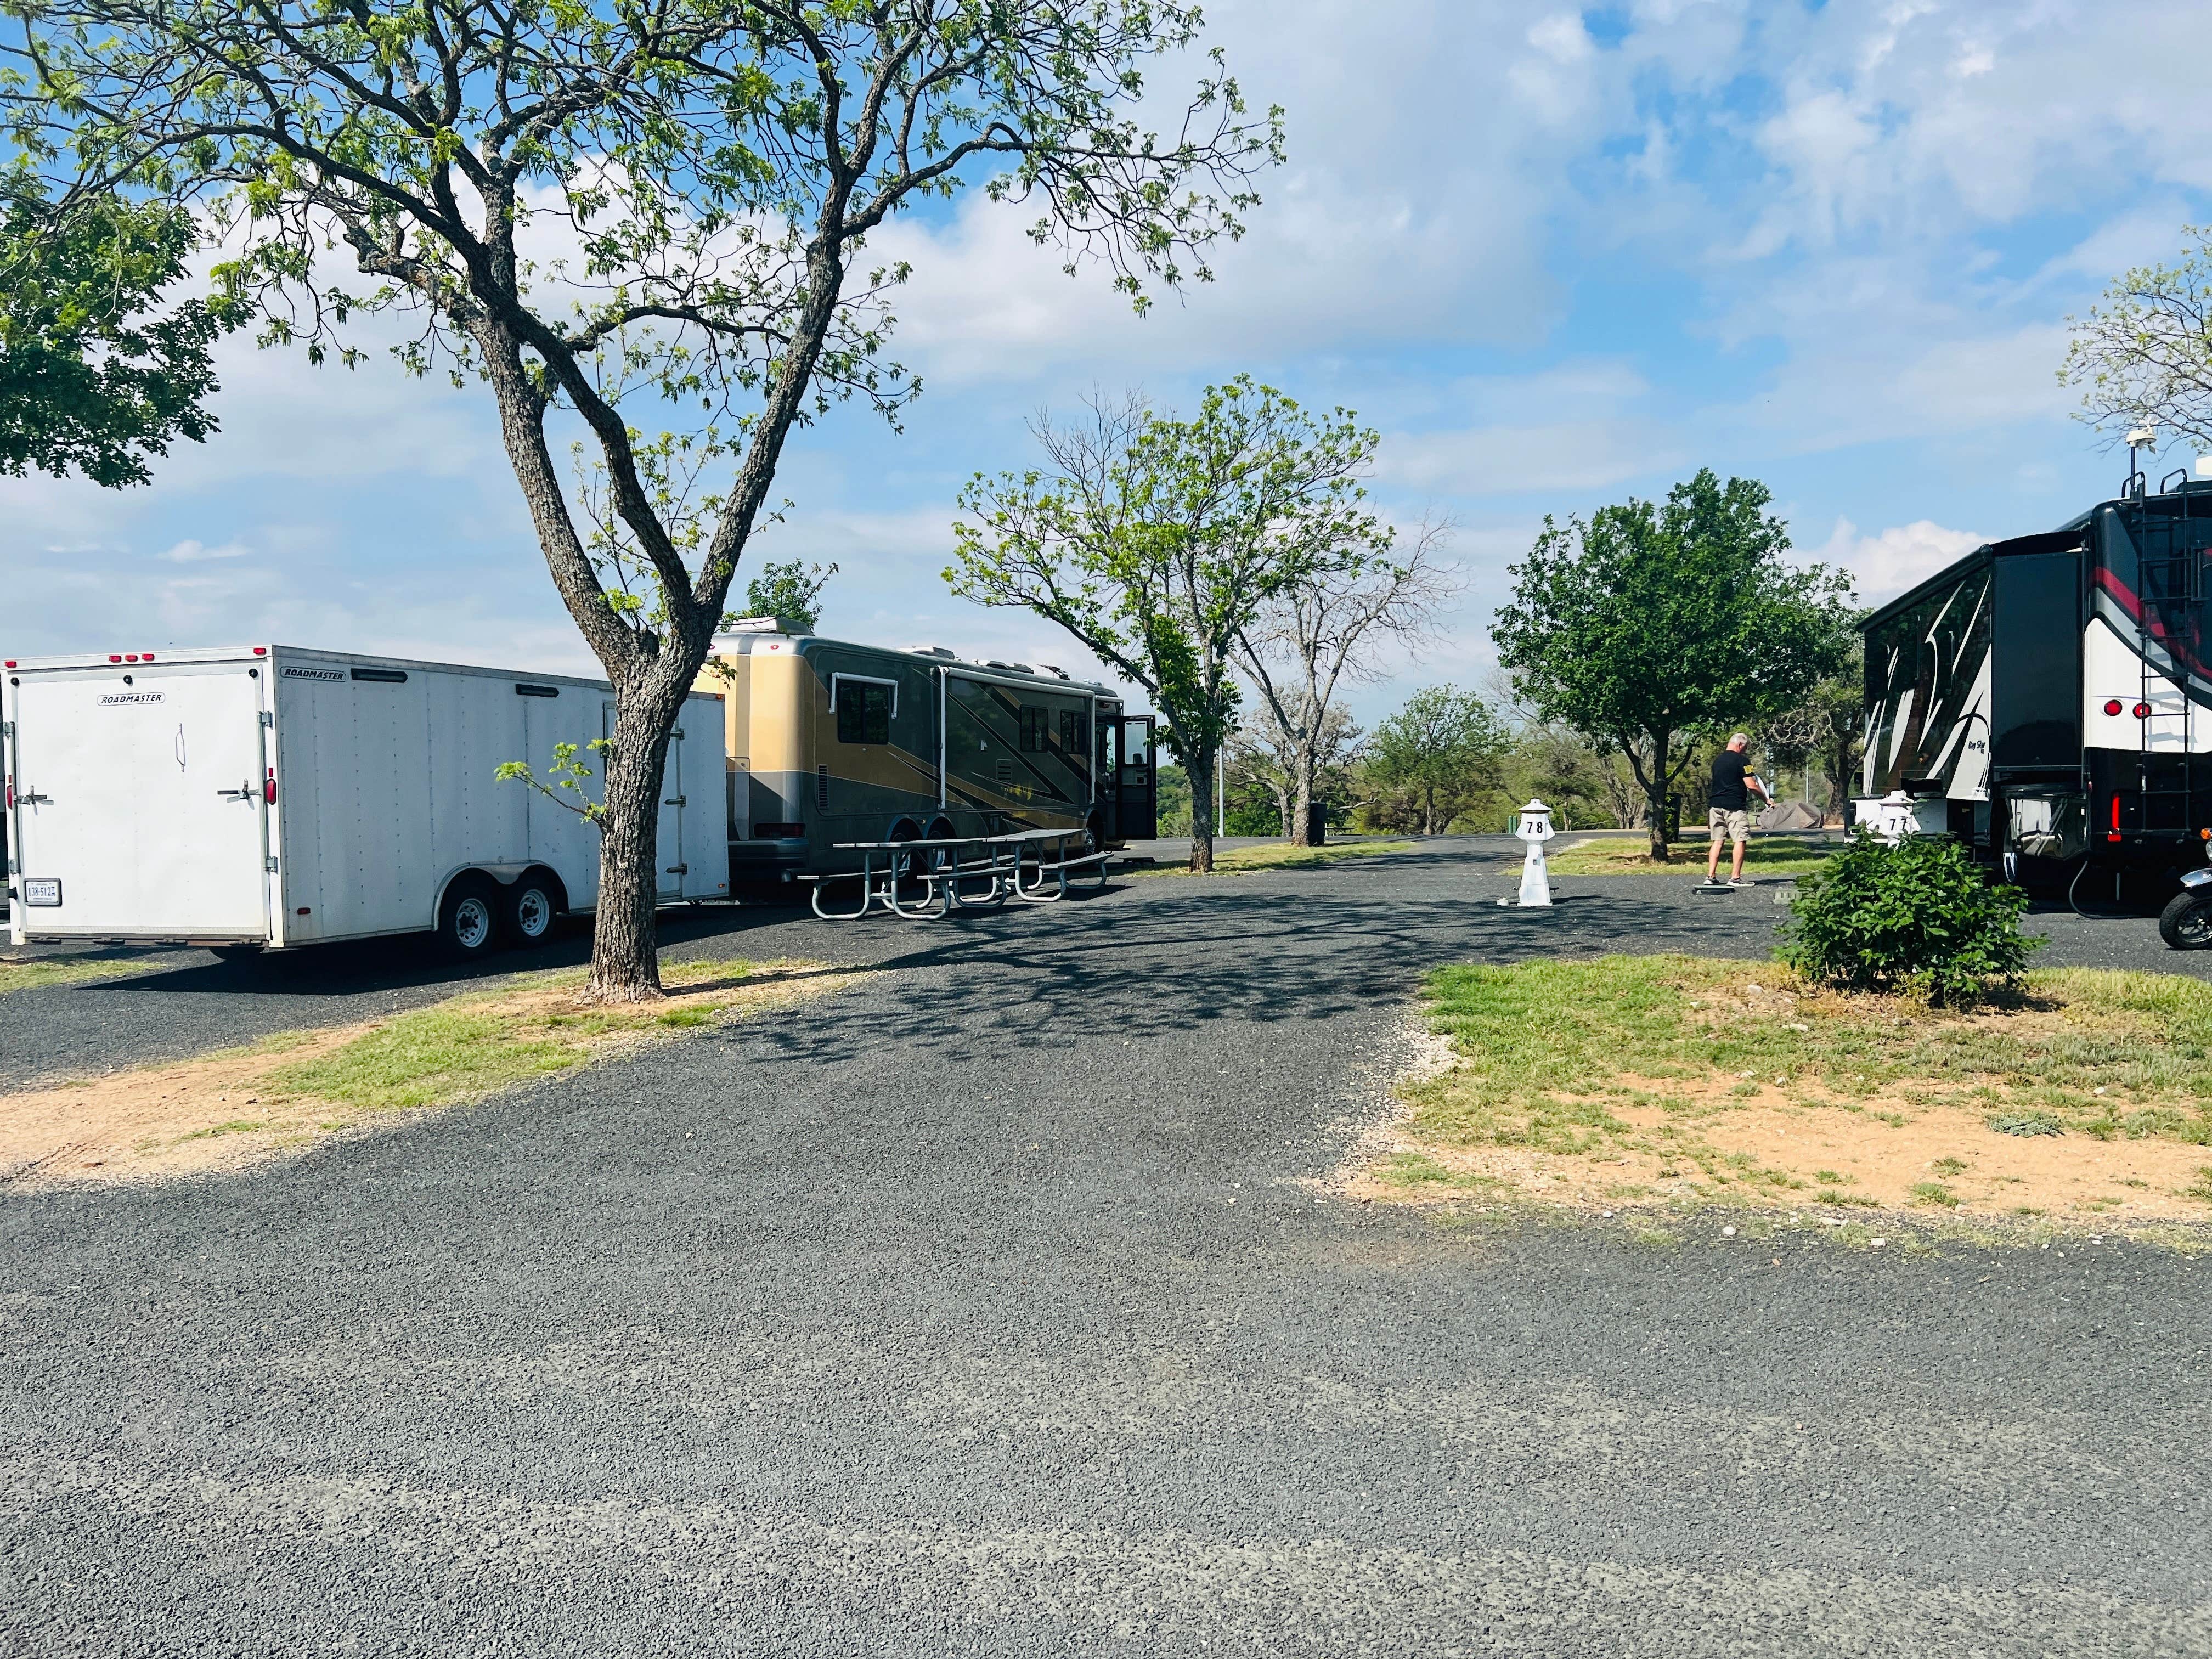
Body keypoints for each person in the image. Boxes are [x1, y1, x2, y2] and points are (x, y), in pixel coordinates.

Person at [1705, 733, 1774, 886]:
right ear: (1741, 745)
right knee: (1740, 839)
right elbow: (1751, 785)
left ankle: (1710, 877)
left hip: (1715, 805)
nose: (1745, 751)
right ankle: (1735, 878)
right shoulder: (1744, 761)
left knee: (1718, 841)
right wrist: (1766, 799)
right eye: (1746, 748)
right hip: (1734, 807)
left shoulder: (1717, 761)